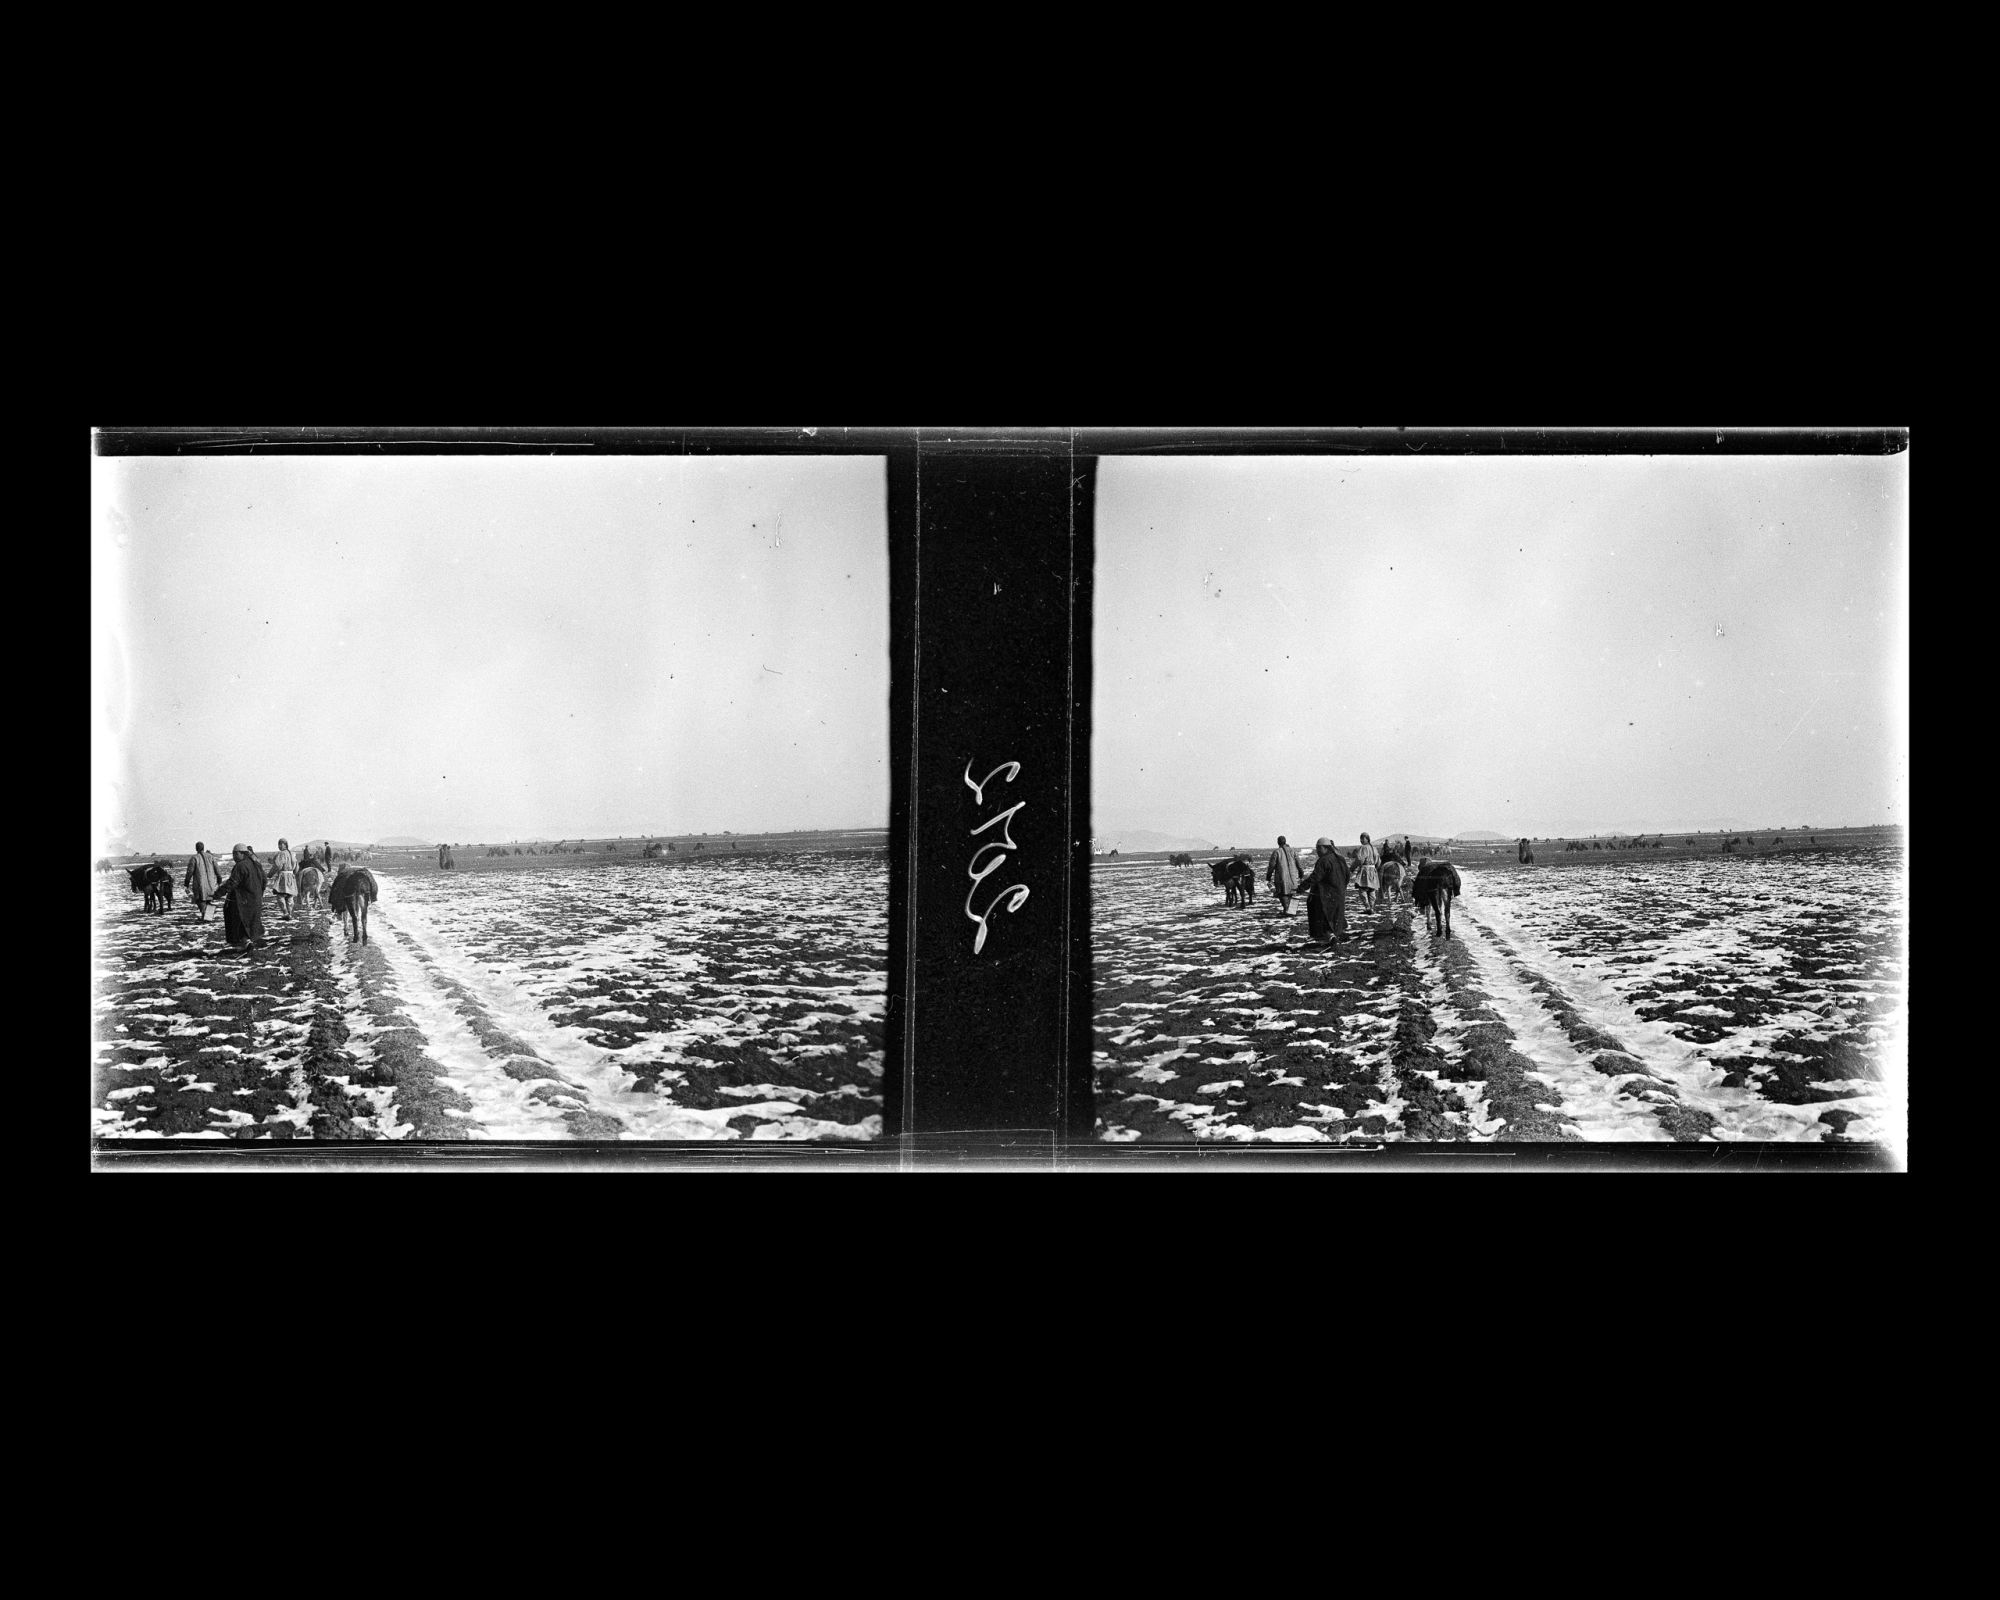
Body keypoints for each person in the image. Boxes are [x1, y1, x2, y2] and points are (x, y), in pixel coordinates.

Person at [214, 844, 270, 950]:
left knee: (239, 920)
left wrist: (218, 893)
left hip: (244, 901)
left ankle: (246, 943)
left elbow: (232, 883)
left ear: (242, 853)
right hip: (255, 899)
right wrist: (259, 893)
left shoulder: (241, 866)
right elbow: (264, 880)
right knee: (252, 921)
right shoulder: (256, 864)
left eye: (235, 854)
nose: (234, 856)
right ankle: (251, 941)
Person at [1299, 836, 1351, 946]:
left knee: (1323, 917)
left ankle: (1331, 938)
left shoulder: (1323, 861)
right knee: (1337, 916)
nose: (1317, 851)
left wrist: (1302, 887)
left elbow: (1315, 877)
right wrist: (1342, 888)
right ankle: (1336, 936)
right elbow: (1348, 875)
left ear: (1326, 848)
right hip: (1339, 893)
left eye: (1319, 848)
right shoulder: (1340, 858)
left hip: (1326, 896)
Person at [184, 841, 221, 921]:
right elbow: (217, 870)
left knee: (201, 901)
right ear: (203, 848)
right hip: (211, 884)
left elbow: (190, 872)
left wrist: (186, 882)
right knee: (209, 900)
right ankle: (208, 917)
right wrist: (219, 879)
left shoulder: (194, 858)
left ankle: (205, 918)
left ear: (196, 848)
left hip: (200, 884)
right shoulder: (211, 857)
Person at [1266, 835, 1302, 914]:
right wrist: (1301, 873)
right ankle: (1291, 911)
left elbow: (1271, 866)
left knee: (1283, 894)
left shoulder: (1277, 852)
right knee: (1292, 894)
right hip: (1293, 878)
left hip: (1281, 878)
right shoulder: (1293, 851)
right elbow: (1299, 864)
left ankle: (1287, 910)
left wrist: (1268, 876)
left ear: (1278, 842)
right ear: (1285, 841)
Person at [270, 837, 299, 919]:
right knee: (290, 896)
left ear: (285, 845)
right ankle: (290, 913)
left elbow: (278, 865)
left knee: (280, 895)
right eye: (278, 844)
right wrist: (293, 874)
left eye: (280, 844)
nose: (279, 846)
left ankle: (285, 913)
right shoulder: (292, 854)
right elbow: (297, 867)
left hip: (283, 877)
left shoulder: (282, 854)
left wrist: (270, 874)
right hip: (291, 876)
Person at [1353, 832, 1381, 912]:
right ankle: (1371, 907)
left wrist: (1352, 868)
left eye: (1362, 838)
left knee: (1362, 888)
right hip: (1373, 870)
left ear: (1367, 839)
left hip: (1365, 870)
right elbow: (1379, 861)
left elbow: (1359, 860)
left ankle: (1367, 907)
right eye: (1360, 839)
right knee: (1372, 889)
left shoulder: (1363, 848)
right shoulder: (1374, 848)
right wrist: (1375, 868)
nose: (1361, 840)